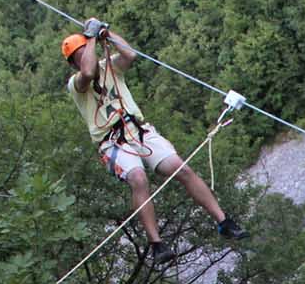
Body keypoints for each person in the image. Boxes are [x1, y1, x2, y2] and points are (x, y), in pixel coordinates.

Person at [61, 21, 244, 266]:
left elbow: (130, 54)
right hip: (112, 142)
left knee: (182, 168)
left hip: (139, 131)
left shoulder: (111, 66)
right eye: (80, 55)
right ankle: (156, 244)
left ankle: (224, 222)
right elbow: (87, 72)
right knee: (138, 177)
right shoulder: (76, 84)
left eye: (85, 51)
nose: (86, 56)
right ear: (74, 62)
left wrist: (107, 33)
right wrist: (91, 39)